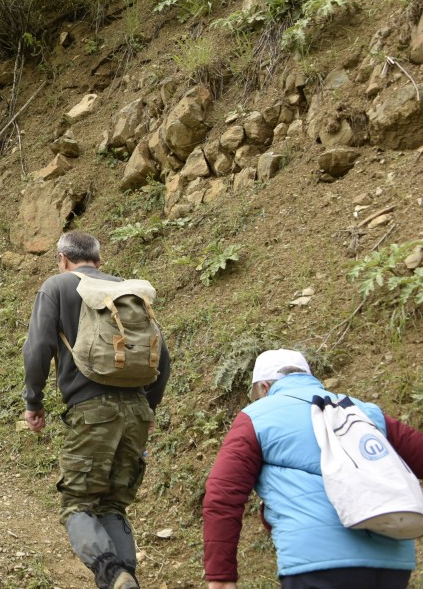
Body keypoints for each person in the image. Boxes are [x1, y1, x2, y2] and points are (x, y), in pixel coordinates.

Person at [22, 231, 171, 589]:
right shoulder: (128, 293)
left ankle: (112, 574)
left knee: (78, 505)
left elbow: (38, 347)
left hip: (91, 412)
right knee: (112, 507)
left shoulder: (57, 287)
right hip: (136, 411)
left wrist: (33, 401)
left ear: (62, 259)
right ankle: (126, 579)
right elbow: (162, 359)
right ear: (98, 261)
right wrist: (147, 409)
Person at [203, 349, 423, 589]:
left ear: (264, 388)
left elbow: (223, 496)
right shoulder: (362, 411)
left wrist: (221, 577)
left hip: (318, 561)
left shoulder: (256, 417)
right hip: (391, 562)